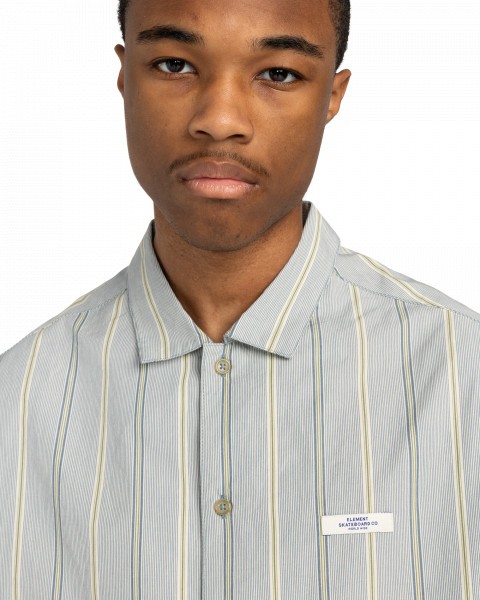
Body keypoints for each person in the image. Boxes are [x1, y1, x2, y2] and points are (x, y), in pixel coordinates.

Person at [1, 0, 478, 597]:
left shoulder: (464, 374)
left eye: (278, 73)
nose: (220, 120)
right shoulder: (16, 401)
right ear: (125, 77)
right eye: (175, 64)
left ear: (332, 95)